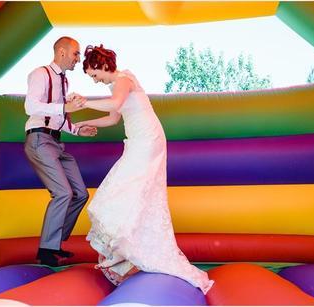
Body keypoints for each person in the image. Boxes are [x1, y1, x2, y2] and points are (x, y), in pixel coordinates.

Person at [72, 45, 213, 294]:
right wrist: (83, 122)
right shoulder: (114, 86)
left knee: (126, 191)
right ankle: (128, 259)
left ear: (102, 65)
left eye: (94, 75)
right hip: (137, 141)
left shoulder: (123, 79)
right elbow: (113, 118)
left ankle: (132, 256)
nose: (95, 81)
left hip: (147, 141)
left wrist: (84, 103)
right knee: (125, 195)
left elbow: (115, 102)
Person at [24, 36, 97, 267]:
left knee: (80, 193)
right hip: (39, 139)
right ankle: (46, 249)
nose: (78, 59)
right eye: (76, 54)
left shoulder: (64, 83)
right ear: (62, 52)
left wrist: (77, 130)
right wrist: (64, 107)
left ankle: (54, 243)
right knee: (63, 192)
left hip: (56, 143)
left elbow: (59, 118)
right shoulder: (41, 73)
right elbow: (30, 106)